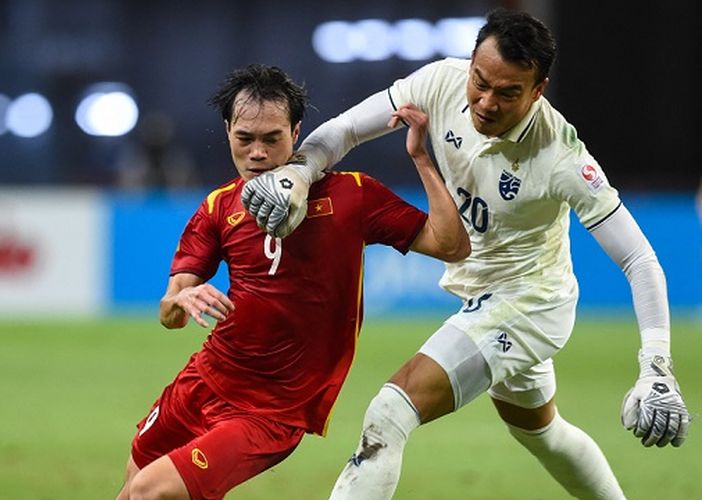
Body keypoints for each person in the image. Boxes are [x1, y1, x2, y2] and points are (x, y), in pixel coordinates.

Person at [240, 8, 690, 499]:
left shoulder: (563, 158)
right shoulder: (442, 82)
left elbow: (640, 260)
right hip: (484, 293)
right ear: (472, 62)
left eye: (508, 93)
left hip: (528, 303)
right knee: (543, 433)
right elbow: (345, 130)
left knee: (391, 411)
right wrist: (299, 173)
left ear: (537, 91)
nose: (485, 102)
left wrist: (656, 367)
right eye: (480, 81)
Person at [115, 64, 470, 500]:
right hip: (203, 381)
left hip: (270, 411)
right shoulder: (217, 208)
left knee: (152, 491)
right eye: (245, 139)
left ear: (297, 132)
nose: (258, 153)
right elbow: (169, 313)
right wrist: (183, 297)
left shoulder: (352, 196)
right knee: (131, 491)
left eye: (272, 139)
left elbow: (451, 246)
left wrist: (421, 158)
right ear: (227, 131)